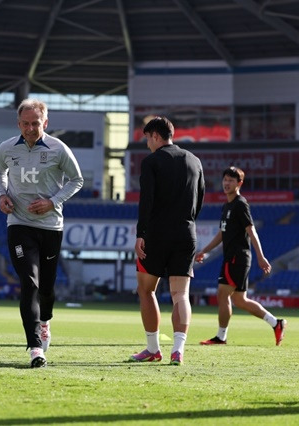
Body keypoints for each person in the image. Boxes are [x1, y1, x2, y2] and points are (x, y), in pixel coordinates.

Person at [0, 99, 83, 368]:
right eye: (25, 123)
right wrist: (2, 195)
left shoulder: (59, 149)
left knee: (46, 288)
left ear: (45, 123)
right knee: (29, 282)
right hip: (19, 224)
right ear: (18, 123)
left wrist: (53, 201)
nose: (30, 128)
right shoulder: (6, 148)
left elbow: (77, 180)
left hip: (50, 226)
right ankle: (35, 347)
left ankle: (45, 322)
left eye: (35, 123)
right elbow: (0, 171)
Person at [129, 116, 205, 366]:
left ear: (156, 136)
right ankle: (178, 350)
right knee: (180, 294)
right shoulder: (194, 160)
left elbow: (146, 200)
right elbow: (200, 199)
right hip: (186, 232)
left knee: (146, 289)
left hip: (157, 234)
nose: (147, 144)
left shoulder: (152, 162)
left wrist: (141, 233)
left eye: (147, 138)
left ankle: (153, 349)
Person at [195, 166, 286, 346]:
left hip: (238, 257)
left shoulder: (240, 204)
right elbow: (222, 233)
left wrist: (261, 256)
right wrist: (204, 250)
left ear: (239, 183)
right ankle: (276, 323)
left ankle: (221, 337)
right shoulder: (227, 206)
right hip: (233, 257)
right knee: (239, 300)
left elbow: (251, 230)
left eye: (231, 180)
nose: (227, 183)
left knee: (222, 294)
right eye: (225, 179)